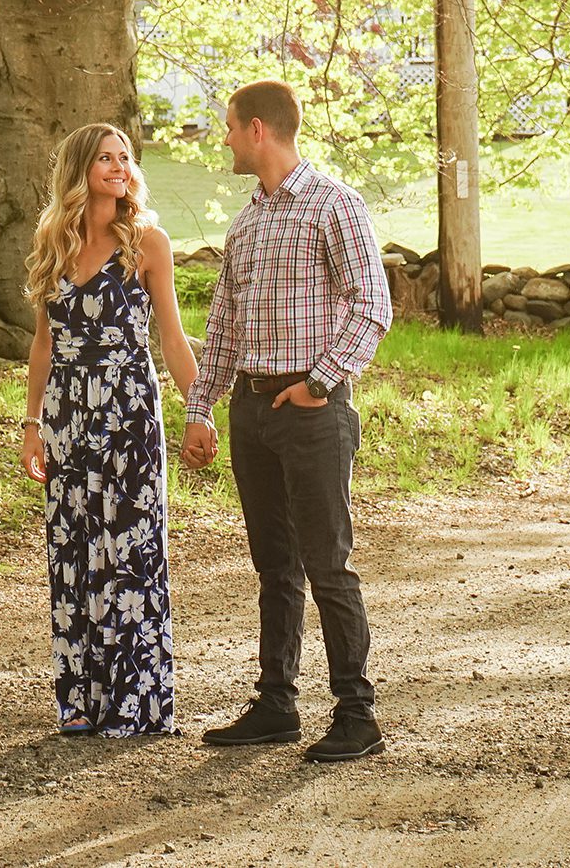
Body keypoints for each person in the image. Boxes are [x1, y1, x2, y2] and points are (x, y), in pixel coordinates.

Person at [181, 79, 394, 762]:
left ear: (258, 131)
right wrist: (200, 407)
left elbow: (373, 305)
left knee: (328, 562)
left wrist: (319, 383)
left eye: (230, 127)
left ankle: (357, 713)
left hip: (311, 413)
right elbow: (222, 328)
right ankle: (277, 703)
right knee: (275, 564)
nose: (225, 138)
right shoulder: (245, 224)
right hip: (252, 410)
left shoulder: (335, 204)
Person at [21, 122, 199, 737]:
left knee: (130, 549)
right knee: (75, 552)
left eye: (124, 157)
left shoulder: (147, 242)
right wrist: (32, 424)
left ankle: (136, 702)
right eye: (104, 157)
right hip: (68, 416)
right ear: (79, 169)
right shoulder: (53, 241)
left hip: (128, 412)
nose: (119, 167)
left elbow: (171, 336)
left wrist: (196, 407)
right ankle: (82, 701)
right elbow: (43, 345)